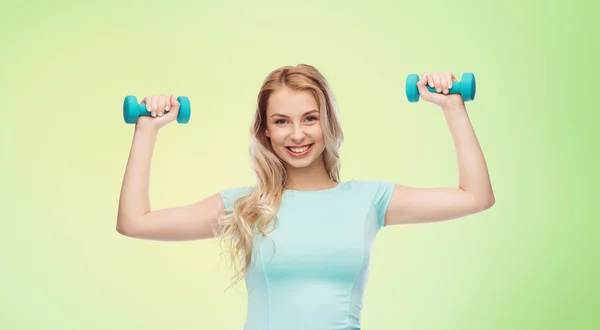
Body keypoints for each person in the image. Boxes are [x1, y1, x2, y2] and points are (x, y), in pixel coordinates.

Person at [116, 64, 495, 330]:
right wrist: (147, 130)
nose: (297, 134)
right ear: (265, 131)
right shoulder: (245, 207)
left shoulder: (369, 199)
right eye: (282, 121)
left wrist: (452, 107)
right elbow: (135, 222)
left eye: (310, 118)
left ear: (328, 121)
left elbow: (475, 196)